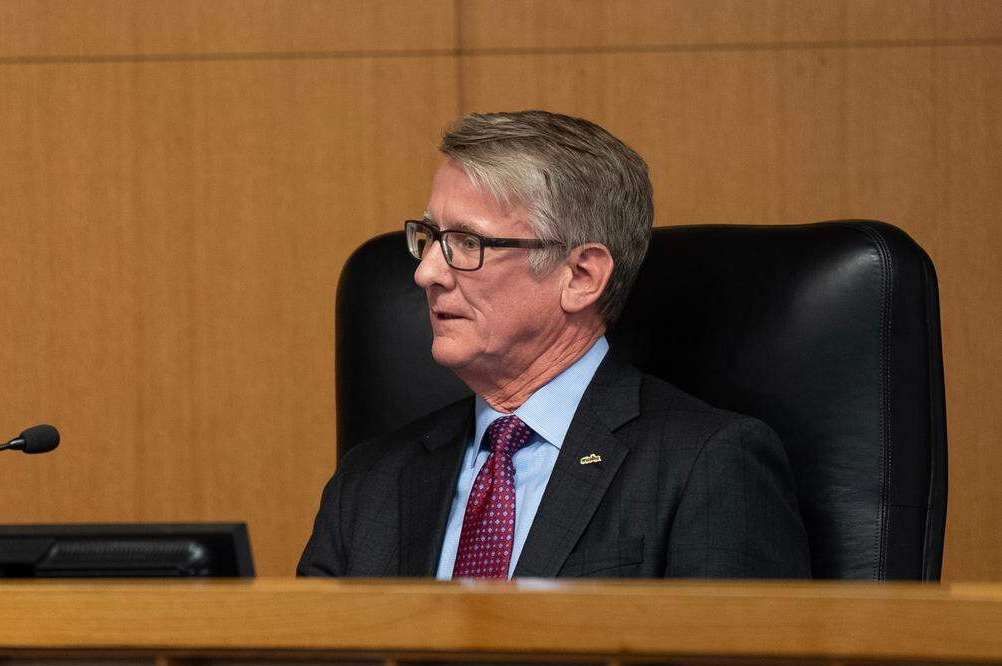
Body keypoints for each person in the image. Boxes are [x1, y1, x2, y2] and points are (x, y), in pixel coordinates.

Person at [299, 110, 810, 579]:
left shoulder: (706, 464)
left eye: (467, 243)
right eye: (429, 237)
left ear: (581, 277)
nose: (426, 272)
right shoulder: (369, 483)